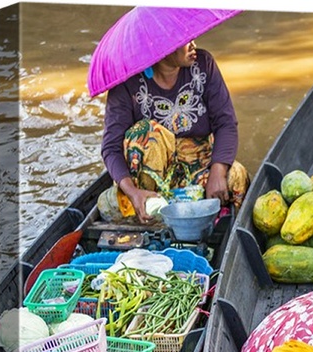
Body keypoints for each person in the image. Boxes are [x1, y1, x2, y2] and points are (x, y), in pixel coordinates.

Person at [98, 38, 249, 224]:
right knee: (147, 131)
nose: (193, 44)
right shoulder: (126, 83)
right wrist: (132, 191)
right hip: (151, 180)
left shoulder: (203, 65)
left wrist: (217, 173)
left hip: (199, 165)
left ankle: (215, 221)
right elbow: (111, 148)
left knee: (237, 175)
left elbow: (225, 123)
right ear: (161, 47)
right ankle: (149, 212)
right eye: (185, 40)